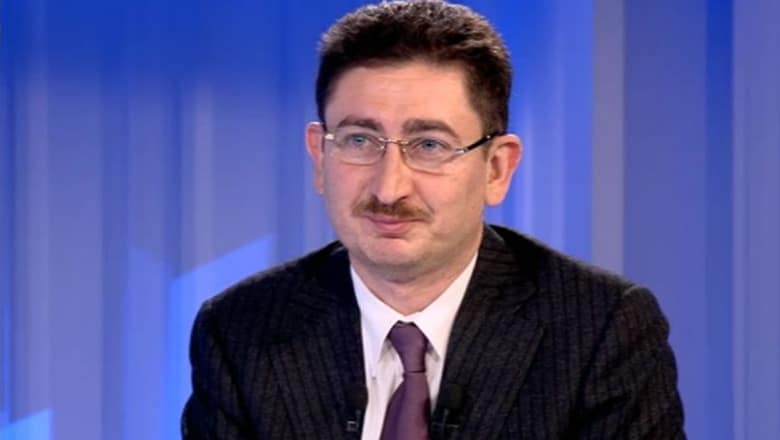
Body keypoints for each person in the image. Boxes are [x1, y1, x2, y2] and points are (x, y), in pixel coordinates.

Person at [181, 1, 685, 439]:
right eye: (359, 140)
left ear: (497, 168)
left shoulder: (600, 329)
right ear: (319, 156)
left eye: (429, 145)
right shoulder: (241, 329)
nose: (389, 188)